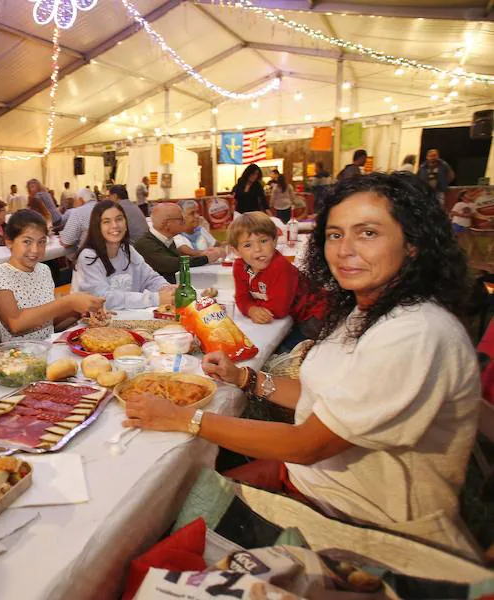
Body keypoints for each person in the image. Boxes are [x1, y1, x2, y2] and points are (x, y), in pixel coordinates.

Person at [123, 173, 480, 557]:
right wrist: (245, 377)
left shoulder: (414, 332)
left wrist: (183, 419)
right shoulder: (370, 310)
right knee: (171, 498)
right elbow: (322, 395)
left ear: (413, 243)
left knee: (152, 532)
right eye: (336, 234)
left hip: (362, 522)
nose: (345, 250)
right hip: (316, 483)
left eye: (369, 233)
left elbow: (308, 444)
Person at [0, 210, 104, 342]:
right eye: (27, 242)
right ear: (9, 242)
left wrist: (82, 310)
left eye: (41, 242)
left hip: (48, 349)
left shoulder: (44, 270)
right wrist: (69, 301)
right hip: (18, 357)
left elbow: (49, 321)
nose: (35, 249)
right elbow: (16, 323)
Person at [228, 212, 326, 346]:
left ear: (274, 241)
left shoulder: (280, 266)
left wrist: (252, 304)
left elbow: (279, 310)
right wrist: (251, 309)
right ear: (236, 251)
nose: (258, 249)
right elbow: (241, 297)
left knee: (286, 351)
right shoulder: (239, 266)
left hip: (314, 313)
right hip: (294, 316)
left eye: (263, 241)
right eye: (247, 245)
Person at [72, 200, 176, 310]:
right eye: (106, 221)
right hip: (96, 323)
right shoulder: (88, 257)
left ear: (126, 223)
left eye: (119, 219)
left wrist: (167, 289)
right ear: (97, 227)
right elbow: (102, 299)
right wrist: (155, 298)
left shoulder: (127, 250)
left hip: (130, 318)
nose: (115, 225)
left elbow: (150, 278)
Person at [134, 203, 209, 283]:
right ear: (167, 224)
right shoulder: (145, 244)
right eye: (181, 219)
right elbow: (171, 264)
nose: (184, 221)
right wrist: (206, 258)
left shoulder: (167, 239)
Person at [59, 188, 99, 258]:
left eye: (75, 201)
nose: (73, 204)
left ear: (81, 200)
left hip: (87, 259)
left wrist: (62, 236)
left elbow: (66, 242)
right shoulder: (105, 208)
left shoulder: (78, 211)